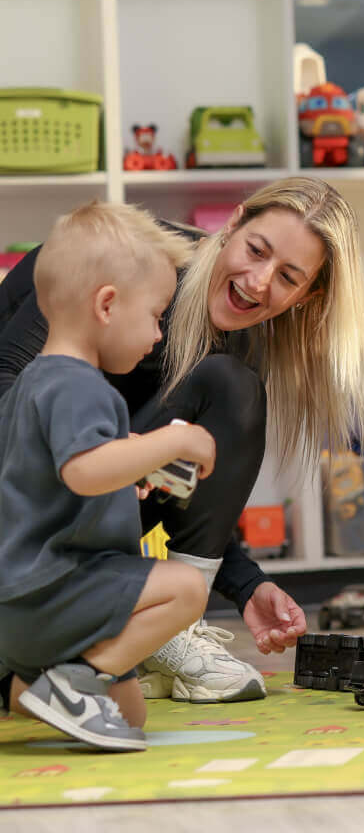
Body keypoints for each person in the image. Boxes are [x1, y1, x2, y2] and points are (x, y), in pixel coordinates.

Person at [0, 177, 364, 703]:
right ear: (233, 223)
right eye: (255, 250)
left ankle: (157, 632)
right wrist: (112, 454)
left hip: (83, 503)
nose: (259, 281)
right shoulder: (122, 265)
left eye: (287, 276)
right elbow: (13, 396)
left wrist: (247, 586)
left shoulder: (240, 347)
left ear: (306, 297)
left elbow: (190, 486)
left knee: (232, 387)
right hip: (21, 498)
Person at [0, 202, 215, 751]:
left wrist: (135, 467)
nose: (160, 334)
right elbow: (83, 473)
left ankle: (41, 685)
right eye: (156, 314)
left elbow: (63, 476)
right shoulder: (77, 384)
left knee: (129, 716)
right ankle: (73, 681)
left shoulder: (38, 382)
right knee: (186, 589)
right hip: (49, 586)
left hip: (29, 601)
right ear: (107, 305)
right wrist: (177, 439)